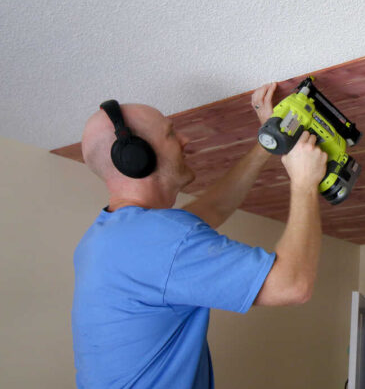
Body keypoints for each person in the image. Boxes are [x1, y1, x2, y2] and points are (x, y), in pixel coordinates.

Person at [71, 82, 328, 388]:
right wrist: (304, 183)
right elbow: (292, 285)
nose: (185, 139)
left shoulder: (106, 236)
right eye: (170, 133)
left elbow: (215, 207)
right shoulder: (162, 241)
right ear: (136, 157)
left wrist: (269, 140)